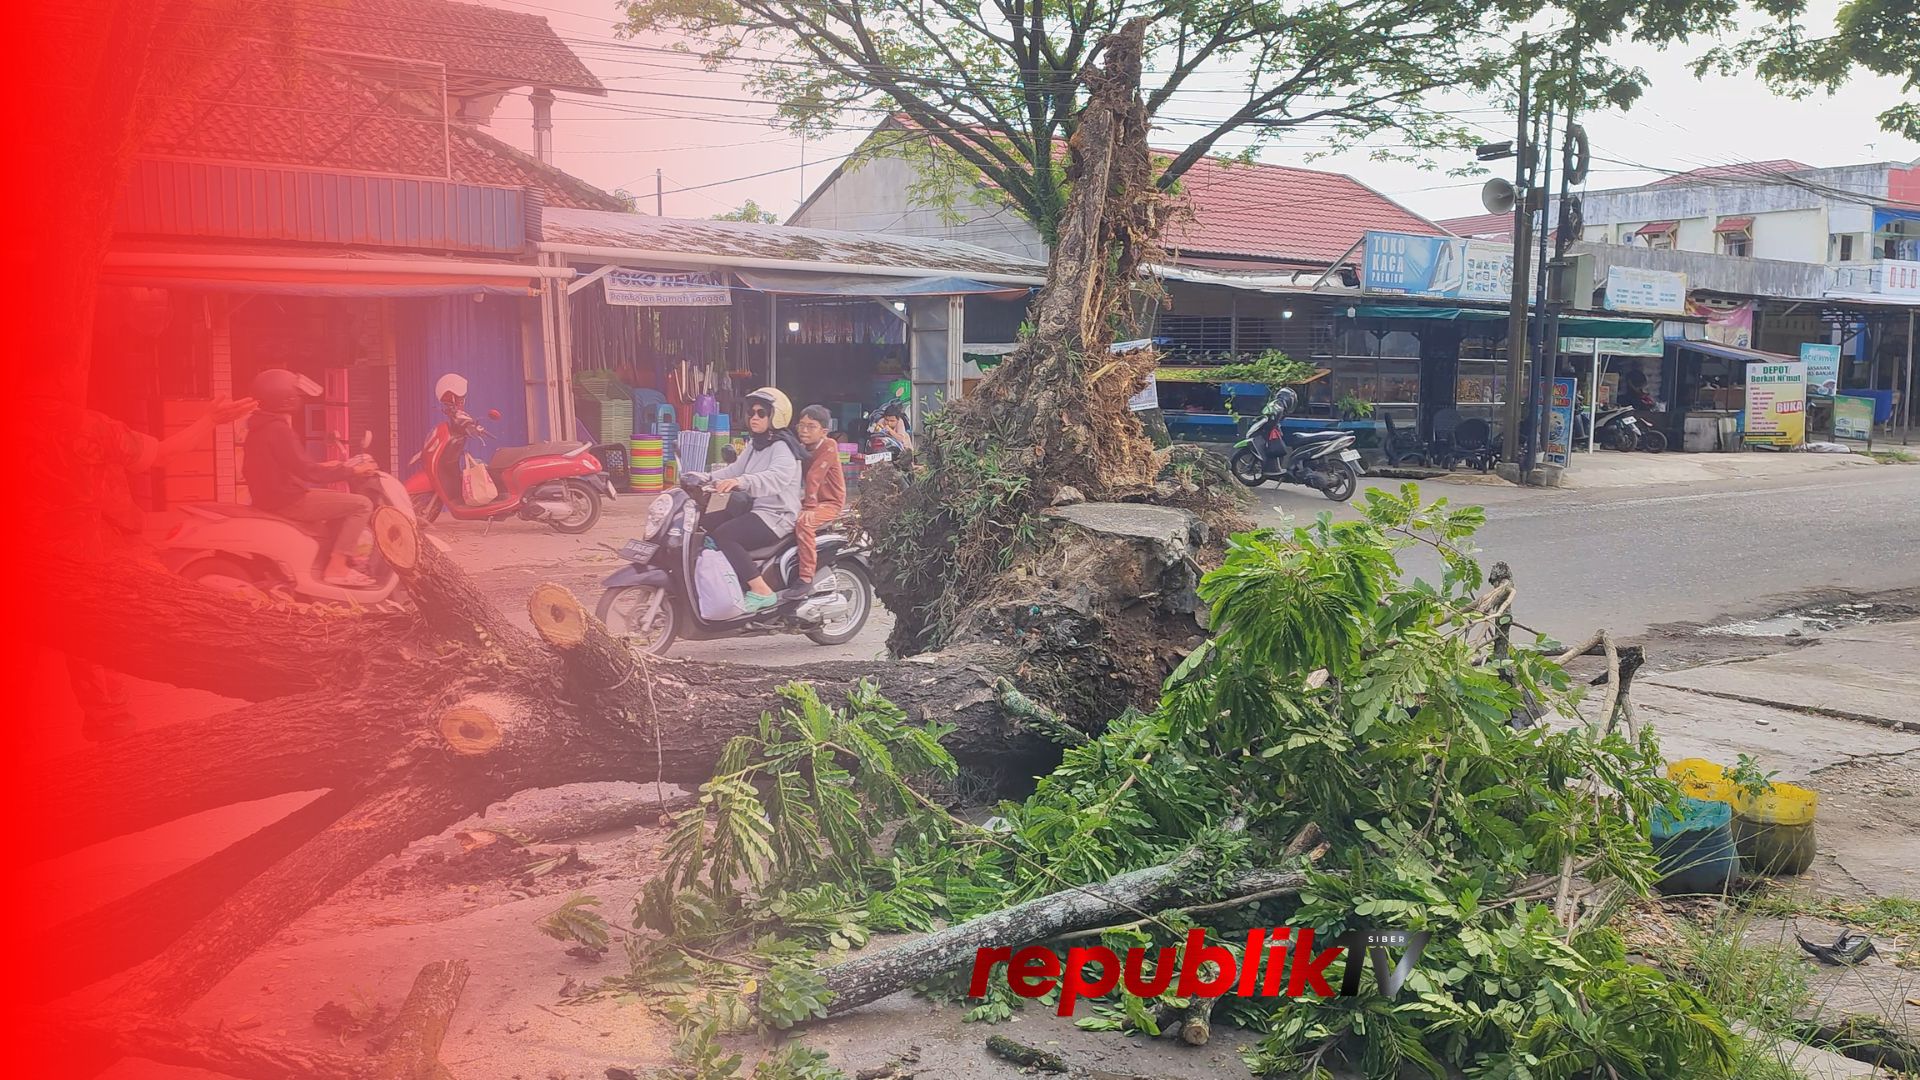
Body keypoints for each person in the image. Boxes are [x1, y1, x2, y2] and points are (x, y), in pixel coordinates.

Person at [58, 394, 257, 741]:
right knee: (162, 618)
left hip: (56, 565)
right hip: (110, 554)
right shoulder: (88, 427)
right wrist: (209, 420)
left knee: (86, 648)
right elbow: (162, 455)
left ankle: (108, 726)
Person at [242, 368, 378, 587]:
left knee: (338, 502)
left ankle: (330, 559)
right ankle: (337, 567)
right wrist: (351, 471)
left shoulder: (260, 427)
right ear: (284, 397)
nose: (299, 398)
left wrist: (328, 466)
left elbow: (292, 466)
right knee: (362, 504)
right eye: (296, 394)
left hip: (273, 497)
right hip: (287, 501)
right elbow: (309, 473)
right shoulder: (278, 429)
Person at [698, 387, 801, 613]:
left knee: (725, 535)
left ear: (775, 416)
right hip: (756, 510)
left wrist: (741, 482)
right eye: (752, 413)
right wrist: (705, 477)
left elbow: (777, 477)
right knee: (706, 525)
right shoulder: (756, 444)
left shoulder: (782, 447)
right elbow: (734, 469)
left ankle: (761, 590)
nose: (754, 417)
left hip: (777, 515)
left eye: (761, 413)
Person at [786, 404, 847, 599]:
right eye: (801, 425)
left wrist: (810, 507)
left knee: (804, 522)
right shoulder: (802, 448)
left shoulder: (829, 445)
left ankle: (805, 577)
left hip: (830, 503)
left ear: (824, 431)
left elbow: (814, 476)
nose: (804, 430)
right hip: (810, 499)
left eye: (810, 426)